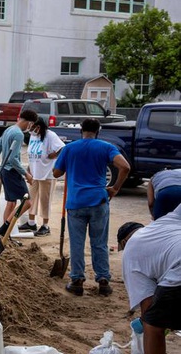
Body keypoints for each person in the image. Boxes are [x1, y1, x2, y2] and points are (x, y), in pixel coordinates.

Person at [53, 118, 130, 297]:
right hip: (98, 201)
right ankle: (103, 281)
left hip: (76, 203)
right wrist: (115, 188)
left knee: (77, 244)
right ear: (98, 131)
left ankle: (77, 280)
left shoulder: (70, 148)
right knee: (100, 243)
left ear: (81, 130)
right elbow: (125, 167)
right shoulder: (106, 147)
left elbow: (57, 173)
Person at [117, 205, 181, 354]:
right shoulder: (165, 221)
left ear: (123, 243)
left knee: (153, 325)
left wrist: (150, 329)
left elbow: (148, 308)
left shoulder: (131, 252)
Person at [0, 109, 38, 237]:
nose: (31, 128)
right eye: (31, 125)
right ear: (28, 122)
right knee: (27, 202)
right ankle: (4, 229)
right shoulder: (18, 134)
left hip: (5, 172)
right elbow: (12, 159)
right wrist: (26, 174)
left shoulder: (9, 129)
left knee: (11, 203)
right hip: (12, 172)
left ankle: (7, 236)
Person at [18, 117, 65, 237]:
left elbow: (63, 148)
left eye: (34, 126)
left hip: (47, 173)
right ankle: (31, 222)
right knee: (31, 198)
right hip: (34, 173)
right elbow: (32, 153)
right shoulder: (34, 136)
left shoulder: (50, 135)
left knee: (45, 200)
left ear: (40, 126)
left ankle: (45, 225)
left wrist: (54, 154)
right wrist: (29, 169)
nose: (32, 129)